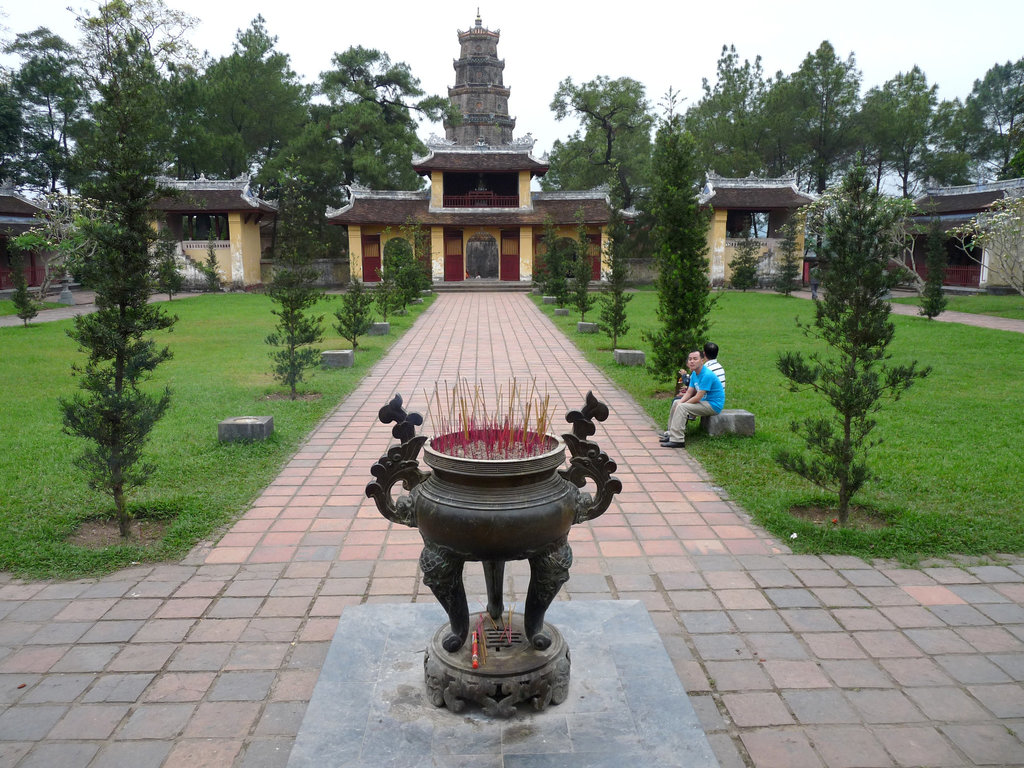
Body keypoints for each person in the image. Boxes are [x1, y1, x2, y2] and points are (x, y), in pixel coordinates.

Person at [661, 349, 725, 448]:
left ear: (702, 361)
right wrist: (680, 402)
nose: (692, 361)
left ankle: (678, 440)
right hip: (704, 401)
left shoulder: (707, 375)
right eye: (690, 359)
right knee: (676, 403)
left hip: (713, 405)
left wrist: (683, 405)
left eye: (695, 359)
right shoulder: (694, 374)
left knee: (682, 407)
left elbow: (698, 397)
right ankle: (671, 434)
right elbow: (689, 392)